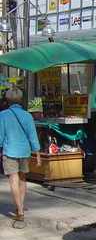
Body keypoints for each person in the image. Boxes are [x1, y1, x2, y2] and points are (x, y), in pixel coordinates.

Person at [0, 87, 42, 227]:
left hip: (10, 149)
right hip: (24, 150)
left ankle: (19, 211)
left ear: (8, 99)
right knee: (22, 178)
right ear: (21, 99)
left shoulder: (3, 115)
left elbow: (0, 136)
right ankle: (21, 205)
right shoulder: (27, 115)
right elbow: (33, 135)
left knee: (13, 179)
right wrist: (37, 154)